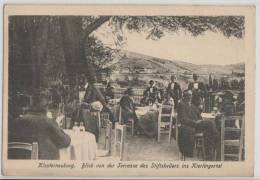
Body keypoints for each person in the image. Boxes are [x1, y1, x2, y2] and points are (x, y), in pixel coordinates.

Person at [8, 95, 71, 160]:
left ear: (30, 107)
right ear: (46, 108)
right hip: (43, 164)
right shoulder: (48, 122)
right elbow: (65, 142)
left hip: (19, 163)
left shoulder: (17, 121)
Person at [177, 90, 219, 160]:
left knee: (209, 129)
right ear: (184, 96)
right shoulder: (182, 105)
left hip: (197, 124)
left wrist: (200, 118)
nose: (190, 97)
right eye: (188, 95)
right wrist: (195, 122)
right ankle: (215, 143)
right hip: (191, 125)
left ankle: (208, 151)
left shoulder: (192, 105)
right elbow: (183, 119)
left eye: (190, 95)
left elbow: (199, 115)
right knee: (210, 124)